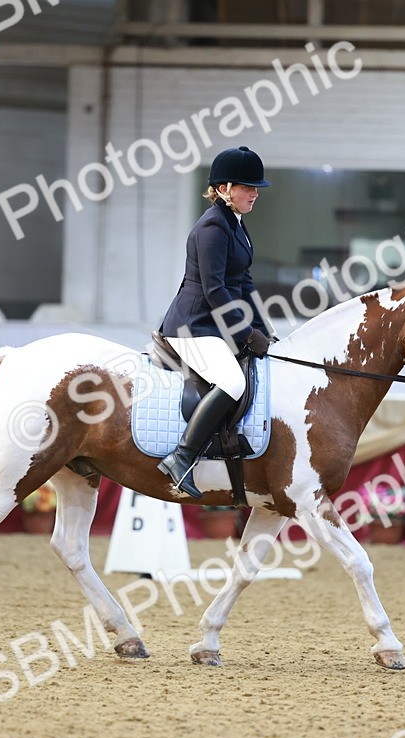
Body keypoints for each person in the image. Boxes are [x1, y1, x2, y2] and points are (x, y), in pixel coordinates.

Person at [156, 146, 275, 499]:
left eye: (256, 188)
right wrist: (243, 332)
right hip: (192, 325)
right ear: (223, 188)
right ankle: (181, 457)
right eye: (247, 187)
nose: (255, 193)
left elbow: (245, 283)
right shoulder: (211, 227)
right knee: (232, 382)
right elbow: (215, 290)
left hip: (212, 324)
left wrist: (263, 328)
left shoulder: (236, 224)